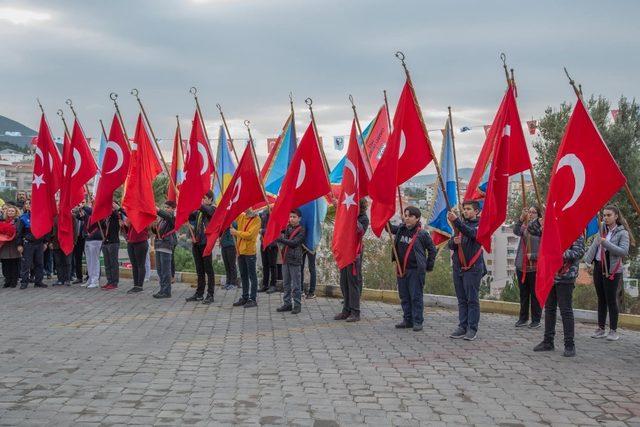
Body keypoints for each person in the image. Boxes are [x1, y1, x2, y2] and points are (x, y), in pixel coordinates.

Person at [584, 205, 632, 341]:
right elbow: (595, 245)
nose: (605, 217)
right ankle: (600, 328)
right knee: (601, 299)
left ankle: (613, 330)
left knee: (611, 299)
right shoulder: (602, 228)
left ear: (616, 216)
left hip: (612, 270)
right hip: (599, 266)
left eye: (609, 215)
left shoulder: (622, 233)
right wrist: (587, 261)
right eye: (604, 215)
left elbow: (623, 252)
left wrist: (606, 244)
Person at [534, 235, 585, 357]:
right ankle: (548, 341)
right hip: (551, 274)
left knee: (565, 311)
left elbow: (579, 252)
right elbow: (534, 231)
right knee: (549, 309)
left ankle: (569, 345)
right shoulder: (554, 230)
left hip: (566, 277)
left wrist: (558, 252)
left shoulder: (576, 232)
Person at [389, 206, 437, 332]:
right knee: (404, 296)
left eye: (410, 216)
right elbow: (389, 229)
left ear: (417, 218)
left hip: (415, 270)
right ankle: (407, 320)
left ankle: (417, 321)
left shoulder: (422, 234)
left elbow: (432, 249)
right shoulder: (401, 229)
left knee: (415, 296)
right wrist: (384, 220)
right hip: (401, 269)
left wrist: (428, 265)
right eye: (405, 215)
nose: (407, 218)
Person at [447, 201, 486, 341]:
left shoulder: (480, 224)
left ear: (476, 211)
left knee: (472, 299)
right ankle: (462, 326)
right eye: (464, 209)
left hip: (473, 267)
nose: (465, 211)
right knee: (461, 299)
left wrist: (456, 221)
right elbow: (450, 244)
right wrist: (454, 242)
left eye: (469, 209)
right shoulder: (460, 225)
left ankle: (472, 328)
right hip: (458, 266)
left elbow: (472, 234)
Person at [335, 198, 370, 322]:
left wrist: (349, 215)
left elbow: (358, 230)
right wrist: (339, 209)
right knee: (344, 282)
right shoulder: (348, 214)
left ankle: (355, 312)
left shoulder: (363, 218)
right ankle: (346, 310)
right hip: (345, 252)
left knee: (353, 283)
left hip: (355, 254)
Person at [513, 205, 543, 328]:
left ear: (538, 215)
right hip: (522, 265)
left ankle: (536, 320)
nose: (531, 214)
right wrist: (521, 219)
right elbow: (516, 230)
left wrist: (535, 256)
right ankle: (523, 318)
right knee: (524, 294)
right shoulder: (525, 226)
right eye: (529, 212)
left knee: (535, 295)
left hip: (535, 266)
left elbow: (545, 248)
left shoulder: (541, 228)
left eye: (533, 212)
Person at [185, 191, 216, 304]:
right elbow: (189, 215)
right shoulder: (199, 212)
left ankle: (210, 294)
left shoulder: (213, 209)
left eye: (205, 198)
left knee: (208, 269)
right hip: (197, 243)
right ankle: (199, 294)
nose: (203, 200)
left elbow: (207, 211)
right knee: (199, 270)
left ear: (211, 199)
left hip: (206, 243)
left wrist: (197, 202)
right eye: (202, 198)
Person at [276, 209, 306, 314]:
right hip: (285, 259)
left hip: (295, 259)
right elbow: (278, 229)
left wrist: (280, 239)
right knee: (286, 284)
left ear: (299, 218)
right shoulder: (288, 227)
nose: (292, 219)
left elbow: (294, 243)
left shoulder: (302, 230)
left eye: (294, 217)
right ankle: (287, 303)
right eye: (291, 217)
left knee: (296, 285)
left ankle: (297, 305)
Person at [231, 209, 262, 308]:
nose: (250, 209)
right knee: (243, 275)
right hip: (240, 251)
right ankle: (245, 297)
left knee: (252, 276)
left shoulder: (257, 219)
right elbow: (231, 216)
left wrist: (236, 232)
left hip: (250, 252)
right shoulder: (241, 216)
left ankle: (252, 299)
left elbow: (250, 235)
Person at [16, 200, 47, 289]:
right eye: (29, 205)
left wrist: (45, 242)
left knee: (39, 263)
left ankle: (38, 281)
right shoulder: (23, 218)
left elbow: (45, 231)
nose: (31, 206)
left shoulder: (41, 217)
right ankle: (24, 282)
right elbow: (19, 233)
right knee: (26, 264)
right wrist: (19, 245)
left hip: (39, 244)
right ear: (27, 207)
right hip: (28, 244)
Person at [152, 201, 177, 298]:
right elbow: (158, 231)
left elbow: (168, 216)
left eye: (168, 207)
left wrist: (157, 209)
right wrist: (154, 227)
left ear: (173, 209)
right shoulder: (161, 220)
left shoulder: (172, 218)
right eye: (165, 207)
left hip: (166, 245)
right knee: (160, 270)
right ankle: (162, 289)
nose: (166, 209)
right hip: (159, 245)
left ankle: (167, 291)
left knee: (166, 271)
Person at [123, 215, 149, 294]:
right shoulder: (131, 214)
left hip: (140, 241)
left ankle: (139, 286)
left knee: (140, 264)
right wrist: (125, 224)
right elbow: (128, 228)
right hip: (131, 242)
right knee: (134, 265)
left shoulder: (143, 215)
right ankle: (135, 285)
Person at [101, 203, 124, 290]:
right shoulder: (107, 218)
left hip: (113, 242)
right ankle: (109, 280)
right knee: (107, 263)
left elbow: (118, 213)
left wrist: (115, 207)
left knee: (113, 263)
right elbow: (102, 225)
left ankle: (114, 282)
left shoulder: (116, 215)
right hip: (106, 242)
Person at [49, 215, 74, 286]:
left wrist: (74, 242)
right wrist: (50, 242)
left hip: (67, 243)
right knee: (58, 262)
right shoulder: (54, 218)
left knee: (67, 262)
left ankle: (67, 279)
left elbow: (75, 229)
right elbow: (50, 230)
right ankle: (60, 279)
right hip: (56, 243)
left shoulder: (71, 217)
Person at [83, 204, 104, 289]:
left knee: (94, 261)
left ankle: (95, 280)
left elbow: (91, 211)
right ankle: (90, 278)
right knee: (89, 260)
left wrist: (83, 207)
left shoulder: (99, 212)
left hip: (96, 239)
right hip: (88, 239)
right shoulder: (89, 214)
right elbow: (79, 217)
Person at [0, 205, 21, 288]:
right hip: (5, 245)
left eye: (12, 211)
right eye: (9, 211)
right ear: (6, 212)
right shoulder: (2, 221)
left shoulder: (18, 221)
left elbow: (19, 232)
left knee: (14, 263)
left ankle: (14, 281)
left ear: (15, 212)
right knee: (5, 264)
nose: (10, 212)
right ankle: (7, 280)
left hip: (14, 245)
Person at [259, 209, 278, 294]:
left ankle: (273, 285)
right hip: (264, 242)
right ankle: (265, 284)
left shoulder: (276, 211)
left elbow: (274, 229)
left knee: (272, 265)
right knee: (265, 265)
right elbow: (261, 226)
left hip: (272, 243)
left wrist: (263, 230)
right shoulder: (264, 212)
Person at [71, 200, 88, 284]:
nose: (80, 204)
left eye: (83, 203)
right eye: (79, 203)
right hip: (77, 239)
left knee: (89, 258)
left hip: (85, 238)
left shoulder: (88, 213)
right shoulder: (75, 214)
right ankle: (79, 277)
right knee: (78, 258)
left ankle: (90, 276)